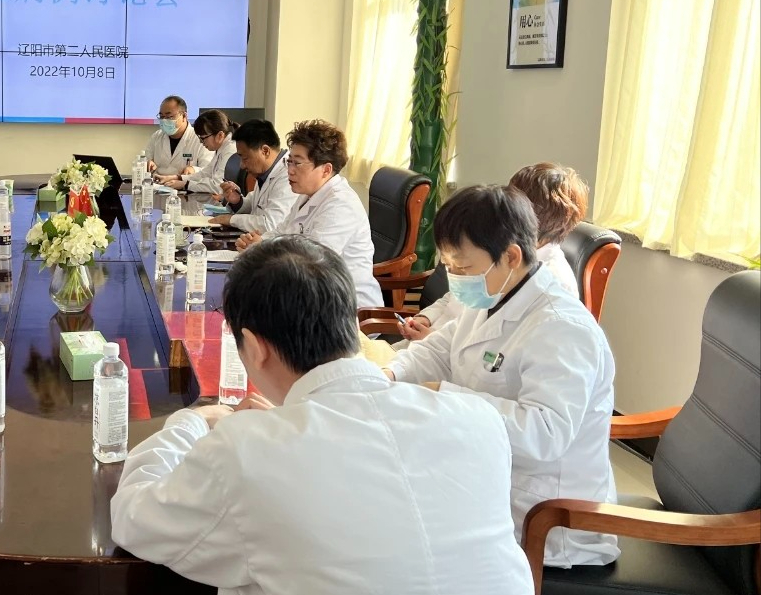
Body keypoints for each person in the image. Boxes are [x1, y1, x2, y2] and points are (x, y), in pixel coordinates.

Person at [111, 236, 533, 594]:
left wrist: (194, 420)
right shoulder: (479, 419)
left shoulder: (247, 451)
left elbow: (133, 518)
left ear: (254, 348)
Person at [385, 185, 619, 567]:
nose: (454, 277)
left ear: (511, 256)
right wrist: (391, 373)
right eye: (448, 265)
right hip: (490, 482)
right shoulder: (495, 294)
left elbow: (546, 434)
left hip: (547, 521)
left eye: (462, 267)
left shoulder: (562, 328)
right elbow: (441, 349)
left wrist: (445, 397)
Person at [401, 162, 589, 341]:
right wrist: (426, 318)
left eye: (509, 202)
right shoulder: (496, 248)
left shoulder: (552, 285)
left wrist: (432, 338)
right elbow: (455, 297)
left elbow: (491, 349)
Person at [236, 120, 380, 309]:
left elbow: (312, 262)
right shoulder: (307, 194)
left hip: (341, 305)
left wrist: (262, 249)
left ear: (326, 170)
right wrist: (258, 242)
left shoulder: (341, 205)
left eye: (297, 163)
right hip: (308, 293)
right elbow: (282, 231)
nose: (290, 170)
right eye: (289, 161)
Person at [209, 119, 297, 233]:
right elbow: (256, 206)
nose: (241, 165)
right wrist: (237, 201)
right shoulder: (266, 171)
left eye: (245, 158)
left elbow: (270, 224)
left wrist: (231, 220)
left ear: (265, 151)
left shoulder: (288, 176)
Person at [155, 109, 238, 193]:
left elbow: (218, 186)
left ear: (220, 135)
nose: (201, 142)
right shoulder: (222, 148)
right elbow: (205, 173)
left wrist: (186, 185)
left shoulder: (230, 150)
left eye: (203, 138)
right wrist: (177, 178)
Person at [143, 96, 212, 176]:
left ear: (184, 116)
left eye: (169, 117)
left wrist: (193, 169)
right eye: (161, 117)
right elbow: (146, 160)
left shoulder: (200, 138)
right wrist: (148, 163)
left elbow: (209, 170)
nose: (164, 120)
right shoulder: (156, 136)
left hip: (185, 182)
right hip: (158, 182)